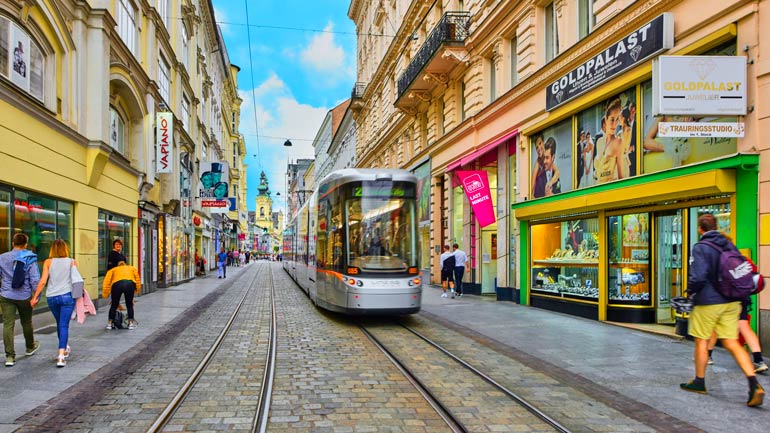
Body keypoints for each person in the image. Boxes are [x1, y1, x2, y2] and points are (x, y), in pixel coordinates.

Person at [680, 214, 764, 407]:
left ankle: (699, 382)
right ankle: (753, 383)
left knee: (701, 340)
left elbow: (699, 277)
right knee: (732, 342)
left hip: (709, 302)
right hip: (732, 301)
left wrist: (690, 291)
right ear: (716, 226)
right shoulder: (728, 244)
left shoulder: (700, 247)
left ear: (700, 229)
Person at [30, 239, 78, 368]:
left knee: (59, 324)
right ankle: (61, 356)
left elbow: (43, 281)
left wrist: (35, 297)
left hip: (52, 297)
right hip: (67, 297)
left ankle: (65, 347)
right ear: (65, 249)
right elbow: (76, 280)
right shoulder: (71, 262)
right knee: (63, 325)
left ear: (53, 249)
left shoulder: (48, 262)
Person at [0, 233, 41, 367]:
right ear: (25, 244)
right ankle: (30, 347)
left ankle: (10, 357)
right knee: (26, 322)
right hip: (24, 295)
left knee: (8, 325)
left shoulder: (2, 257)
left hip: (6, 295)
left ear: (13, 243)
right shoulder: (30, 257)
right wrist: (36, 296)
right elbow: (35, 279)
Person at [102, 261, 141, 330]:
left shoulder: (113, 270)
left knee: (114, 304)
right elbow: (137, 279)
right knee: (129, 305)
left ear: (118, 265)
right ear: (125, 264)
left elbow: (106, 281)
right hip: (129, 284)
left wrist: (106, 293)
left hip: (117, 284)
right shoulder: (132, 268)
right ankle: (131, 324)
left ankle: (109, 324)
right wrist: (137, 290)